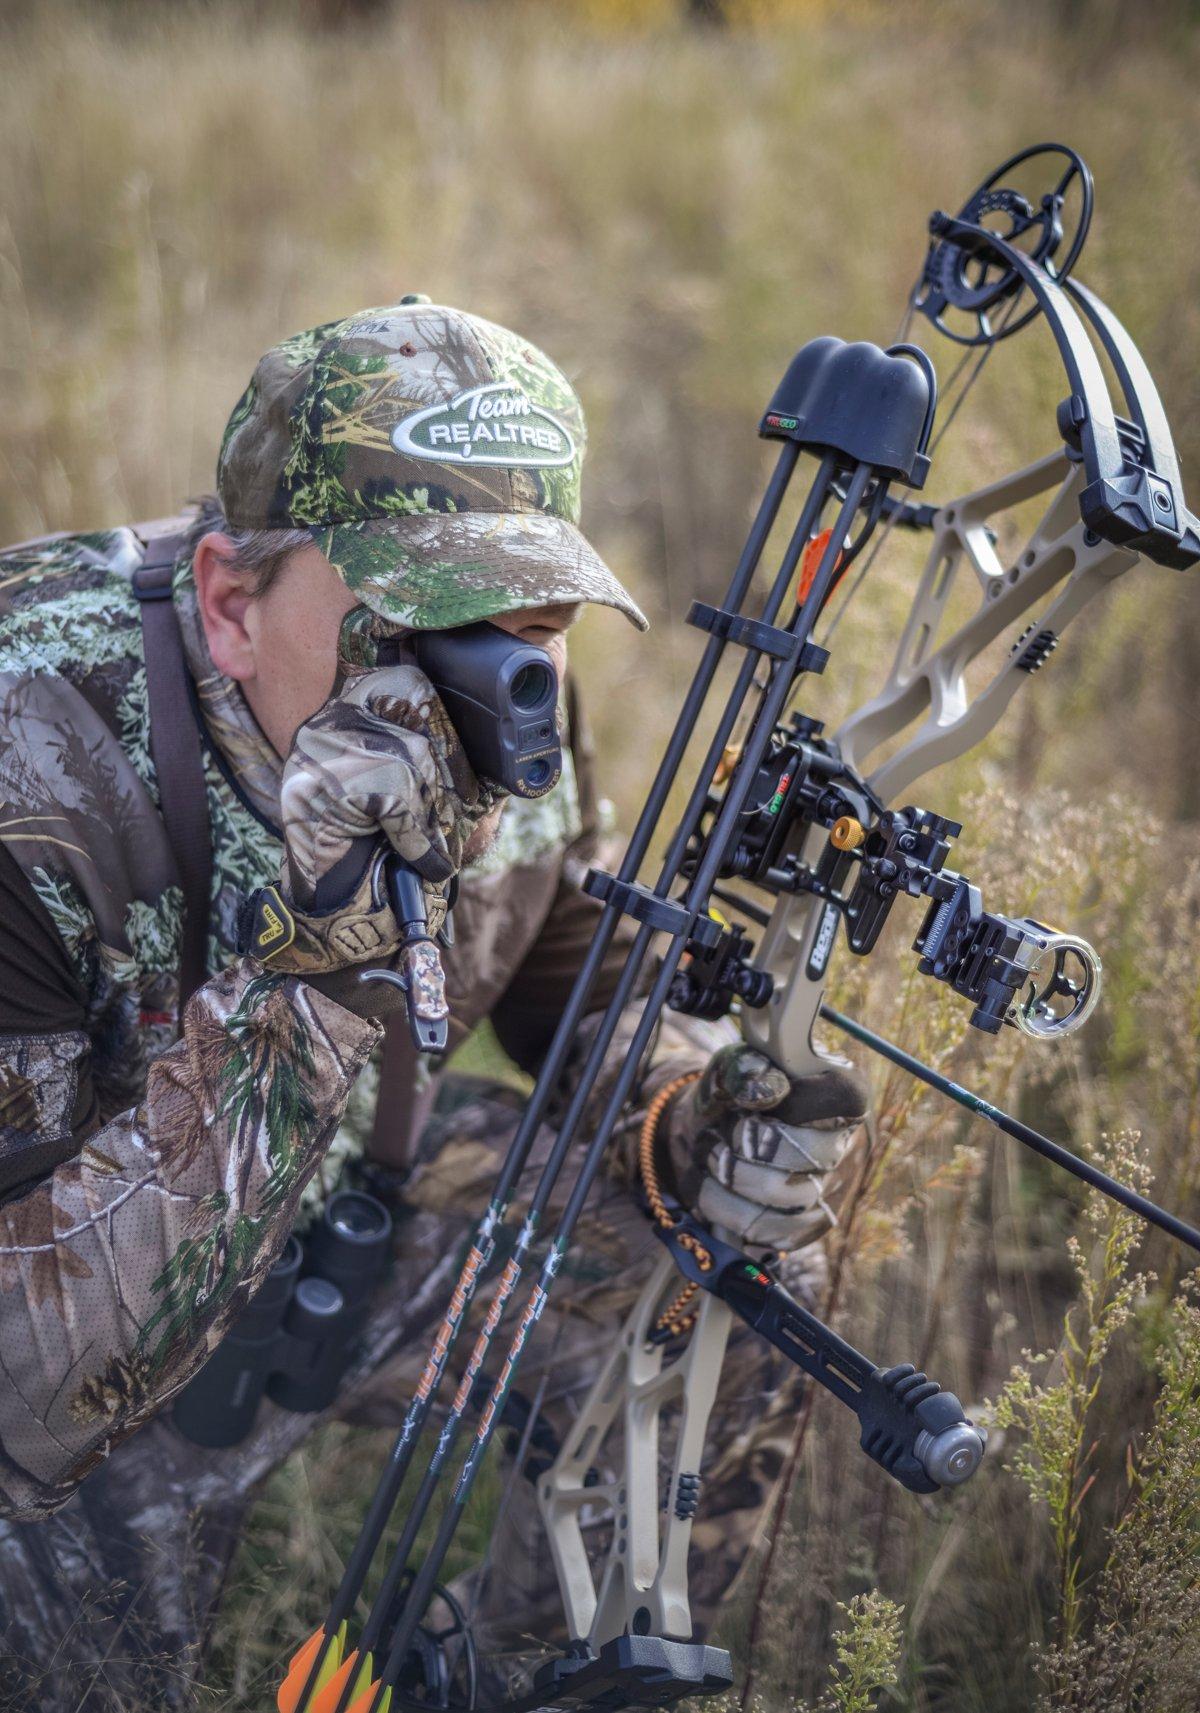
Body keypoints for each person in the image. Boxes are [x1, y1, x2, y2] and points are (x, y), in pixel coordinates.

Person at [0, 299, 868, 1708]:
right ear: (229, 602)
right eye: (419, 619)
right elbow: (19, 1392)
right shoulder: (32, 761)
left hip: (341, 1216)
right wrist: (328, 961)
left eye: (530, 621)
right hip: (70, 1326)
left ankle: (528, 1672)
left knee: (723, 1271)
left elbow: (562, 955)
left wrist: (681, 1109)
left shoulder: (501, 691)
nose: (487, 676)